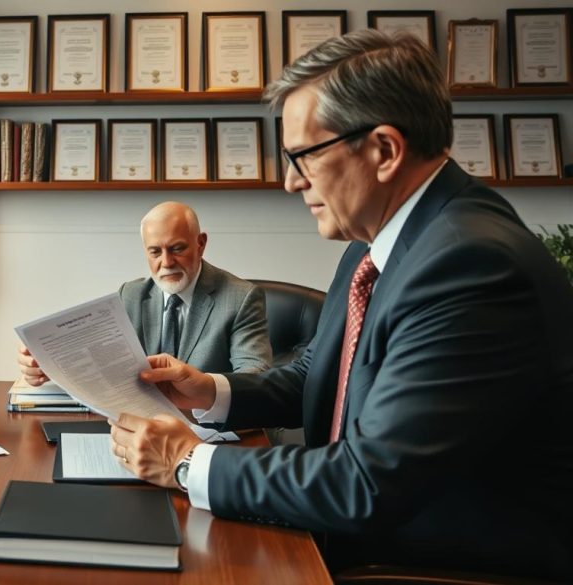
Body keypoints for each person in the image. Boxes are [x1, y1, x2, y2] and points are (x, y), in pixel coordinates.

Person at [104, 31, 573, 580]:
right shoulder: (375, 242)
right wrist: (210, 390)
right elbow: (323, 373)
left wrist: (187, 462)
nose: (289, 181)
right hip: (361, 532)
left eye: (303, 155)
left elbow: (367, 482)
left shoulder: (470, 265)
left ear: (384, 151)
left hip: (433, 565)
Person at [19, 201, 272, 383]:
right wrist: (46, 367)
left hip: (207, 430)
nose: (167, 262)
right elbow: (98, 360)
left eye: (177, 248)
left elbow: (255, 378)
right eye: (155, 252)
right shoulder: (131, 295)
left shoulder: (241, 298)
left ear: (201, 244)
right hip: (141, 427)